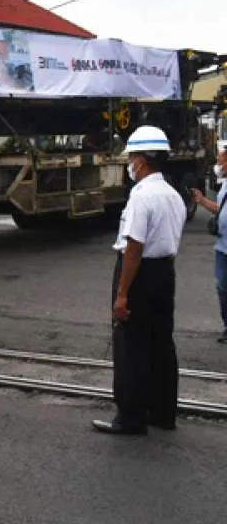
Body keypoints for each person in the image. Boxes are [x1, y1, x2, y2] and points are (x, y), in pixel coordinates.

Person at [92, 125, 186, 435]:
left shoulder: (141, 196)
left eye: (131, 156)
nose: (129, 163)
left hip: (140, 274)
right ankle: (162, 413)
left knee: (132, 345)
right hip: (164, 273)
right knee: (161, 343)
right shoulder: (173, 194)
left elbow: (134, 247)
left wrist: (122, 295)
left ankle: (131, 417)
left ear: (142, 160)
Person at [189, 143, 227, 342]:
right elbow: (220, 208)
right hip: (222, 247)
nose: (219, 162)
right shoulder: (225, 185)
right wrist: (202, 201)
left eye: (222, 159)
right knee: (222, 287)